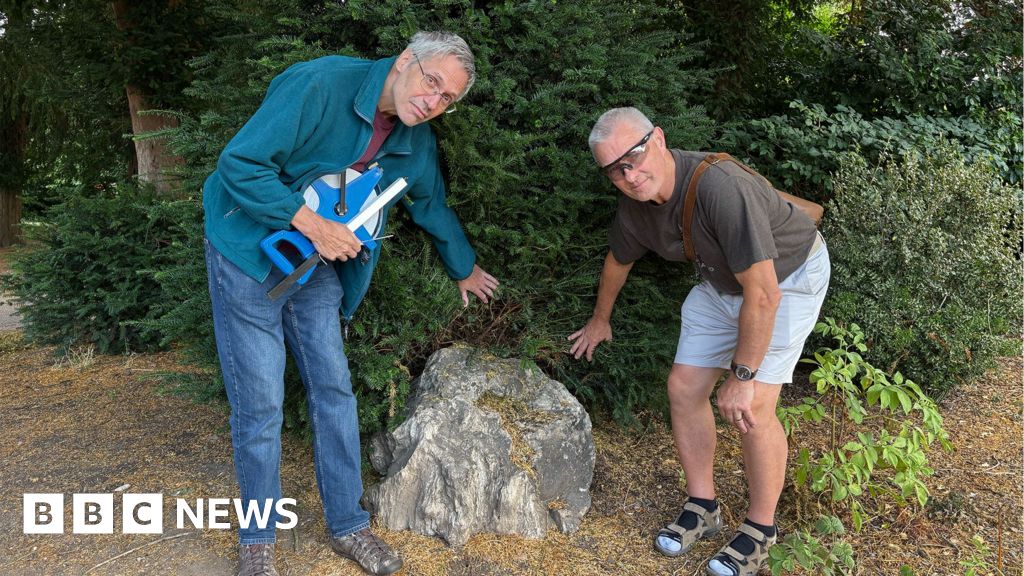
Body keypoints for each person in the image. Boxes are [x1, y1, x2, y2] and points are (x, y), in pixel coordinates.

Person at [202, 31, 499, 576]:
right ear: (406, 61)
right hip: (245, 252)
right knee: (261, 402)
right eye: (432, 82)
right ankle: (258, 541)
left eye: (447, 99)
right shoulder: (319, 84)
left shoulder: (415, 140)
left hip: (317, 267)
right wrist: (313, 225)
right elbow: (239, 164)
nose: (433, 102)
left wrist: (465, 267)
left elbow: (430, 201)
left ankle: (348, 526)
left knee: (334, 390)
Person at [568, 107, 829, 576]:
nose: (629, 174)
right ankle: (704, 507)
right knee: (684, 389)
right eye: (615, 169)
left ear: (660, 138)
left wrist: (742, 375)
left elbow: (765, 294)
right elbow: (618, 260)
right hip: (722, 282)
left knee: (753, 408)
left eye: (635, 155)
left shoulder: (719, 187)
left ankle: (759, 532)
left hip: (786, 279)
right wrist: (599, 320)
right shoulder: (635, 204)